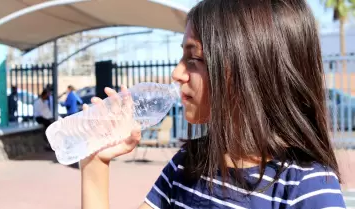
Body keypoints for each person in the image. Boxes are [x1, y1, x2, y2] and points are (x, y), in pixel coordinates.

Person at [79, 1, 346, 208]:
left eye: (193, 59)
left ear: (250, 70)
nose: (177, 73)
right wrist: (94, 164)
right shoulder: (188, 164)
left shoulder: (306, 188)